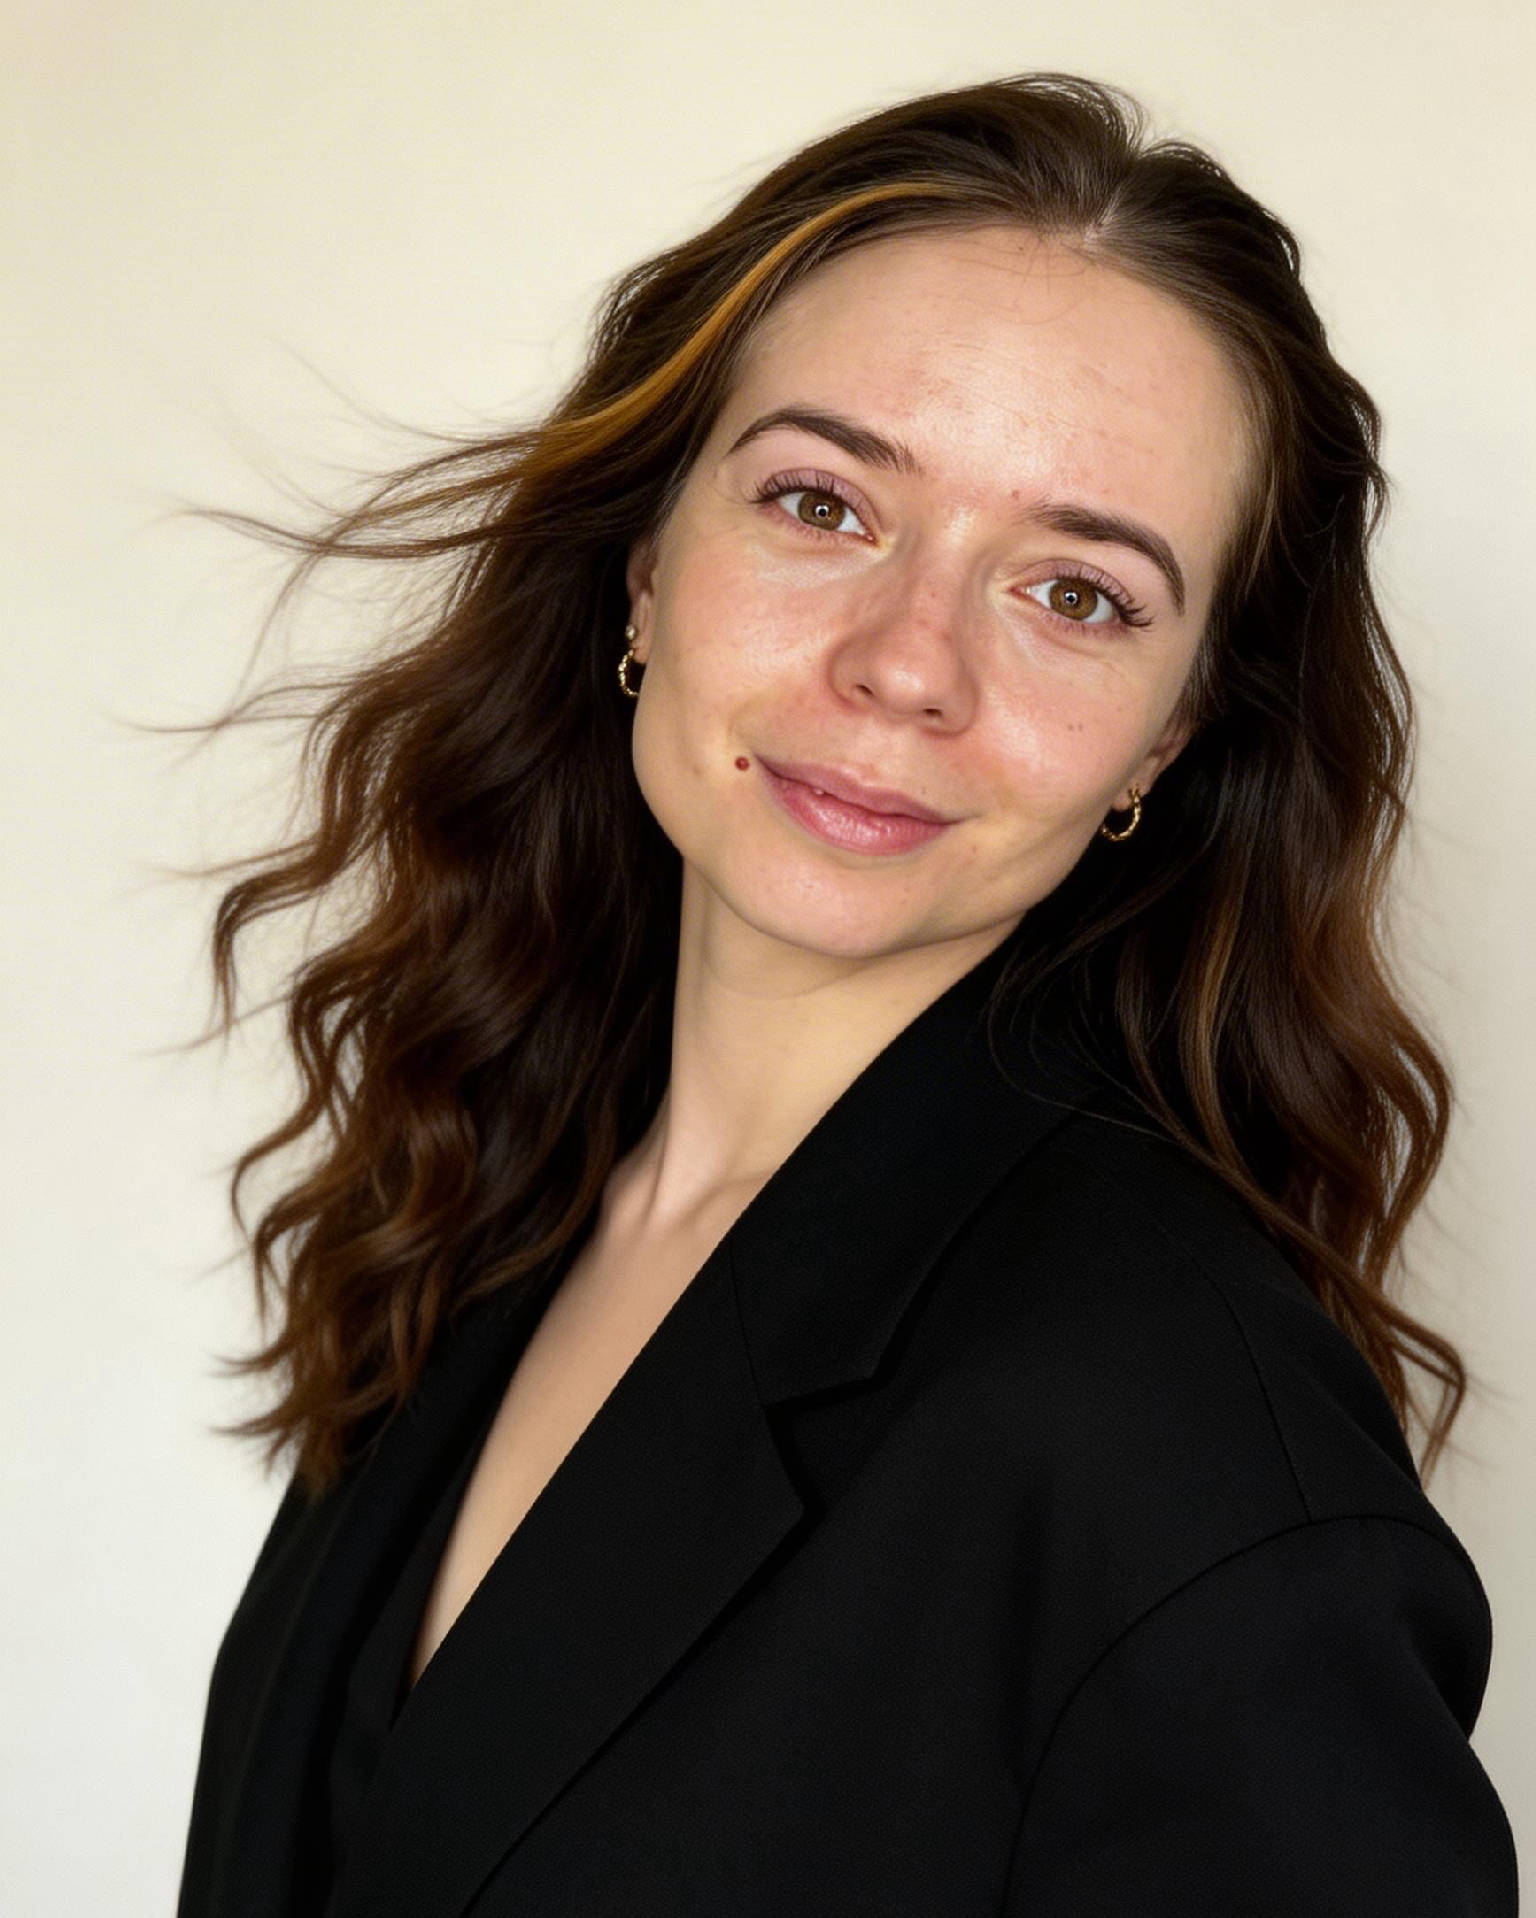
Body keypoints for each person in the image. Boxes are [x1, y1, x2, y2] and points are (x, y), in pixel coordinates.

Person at [175, 72, 1518, 1917]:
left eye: (1078, 594)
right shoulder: (491, 1189)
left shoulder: (1185, 1454)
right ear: (646, 564)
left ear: (1171, 735)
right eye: (822, 501)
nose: (907, 665)